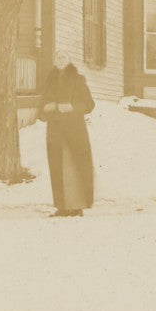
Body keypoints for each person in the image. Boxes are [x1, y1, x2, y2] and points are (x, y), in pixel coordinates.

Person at [40, 50, 95, 217]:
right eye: (58, 57)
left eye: (64, 57)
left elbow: (89, 104)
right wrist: (46, 108)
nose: (61, 59)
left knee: (75, 166)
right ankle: (62, 206)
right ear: (54, 61)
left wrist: (72, 107)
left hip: (74, 129)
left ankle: (77, 206)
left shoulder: (78, 80)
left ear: (70, 60)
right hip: (55, 130)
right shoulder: (50, 80)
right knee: (57, 167)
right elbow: (42, 105)